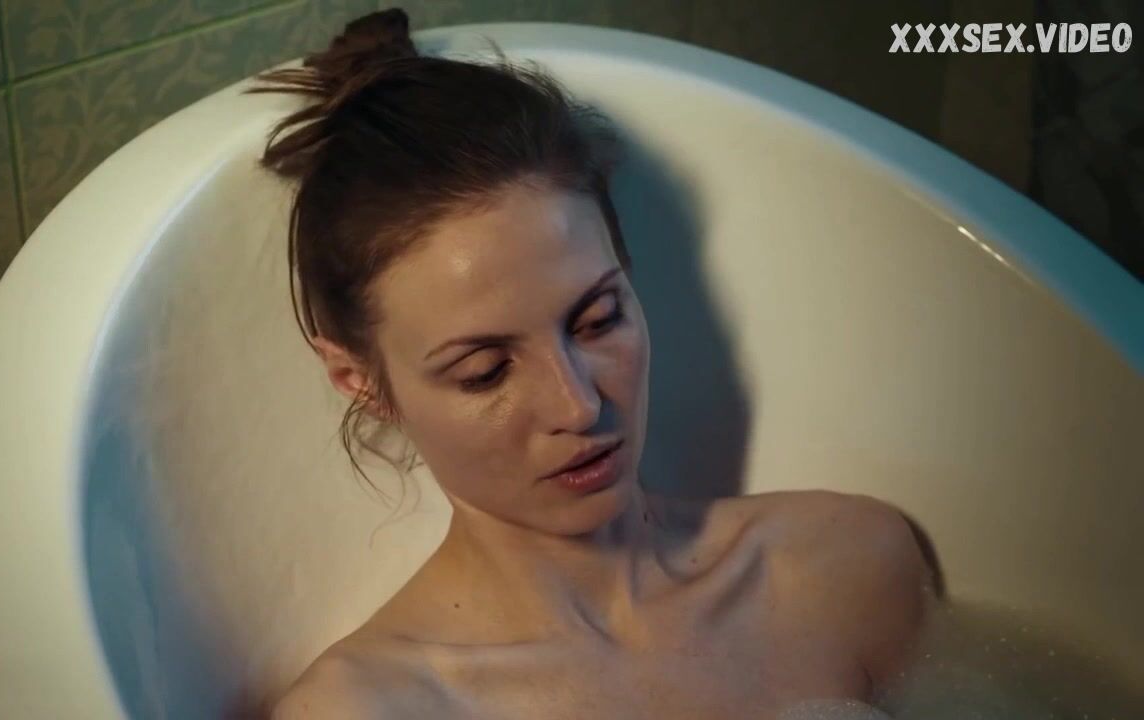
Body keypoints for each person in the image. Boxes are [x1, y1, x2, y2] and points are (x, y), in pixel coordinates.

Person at [251, 8, 938, 719]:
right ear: (361, 382)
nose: (578, 405)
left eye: (597, 320)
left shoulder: (846, 571)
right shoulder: (373, 710)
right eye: (486, 371)